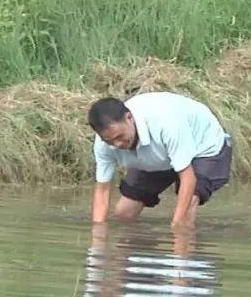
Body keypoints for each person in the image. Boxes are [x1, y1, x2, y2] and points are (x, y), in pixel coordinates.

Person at [87, 91, 234, 229]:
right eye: (110, 141)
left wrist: (176, 225)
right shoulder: (103, 145)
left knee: (187, 208)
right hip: (158, 153)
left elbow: (188, 178)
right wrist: (98, 238)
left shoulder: (166, 124)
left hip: (202, 146)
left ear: (129, 118)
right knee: (124, 214)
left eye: (120, 136)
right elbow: (103, 191)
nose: (117, 145)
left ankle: (184, 251)